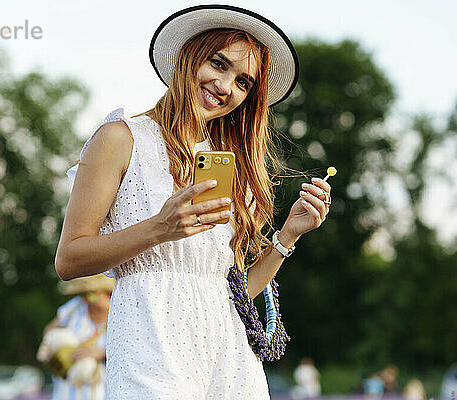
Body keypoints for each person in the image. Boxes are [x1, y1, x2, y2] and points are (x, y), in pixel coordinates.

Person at [55, 5, 332, 399]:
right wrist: (159, 228)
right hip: (147, 349)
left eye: (243, 82)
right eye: (218, 64)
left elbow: (231, 292)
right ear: (189, 55)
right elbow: (68, 259)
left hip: (229, 358)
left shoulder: (227, 166)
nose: (226, 86)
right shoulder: (120, 139)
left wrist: (288, 236)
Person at [40, 274, 115, 400]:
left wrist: (103, 353)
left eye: (92, 295)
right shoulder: (74, 307)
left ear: (108, 293)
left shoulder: (121, 313)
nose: (87, 300)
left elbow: (135, 351)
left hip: (103, 392)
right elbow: (48, 332)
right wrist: (64, 348)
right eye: (83, 294)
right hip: (66, 393)